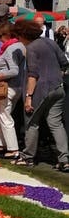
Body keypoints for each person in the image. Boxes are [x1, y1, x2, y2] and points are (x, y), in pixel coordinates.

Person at [12, 18, 69, 170]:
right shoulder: (50, 42)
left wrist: (28, 97)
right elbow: (64, 62)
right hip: (58, 87)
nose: (18, 40)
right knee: (56, 124)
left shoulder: (31, 48)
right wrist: (57, 76)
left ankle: (28, 157)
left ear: (23, 34)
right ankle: (64, 159)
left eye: (18, 36)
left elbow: (33, 75)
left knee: (31, 122)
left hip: (40, 90)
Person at [0, 21, 25, 159]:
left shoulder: (10, 48)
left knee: (5, 117)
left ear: (7, 34)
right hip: (17, 86)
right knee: (3, 115)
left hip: (8, 86)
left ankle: (13, 149)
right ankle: (2, 144)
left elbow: (13, 70)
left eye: (0, 36)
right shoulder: (20, 45)